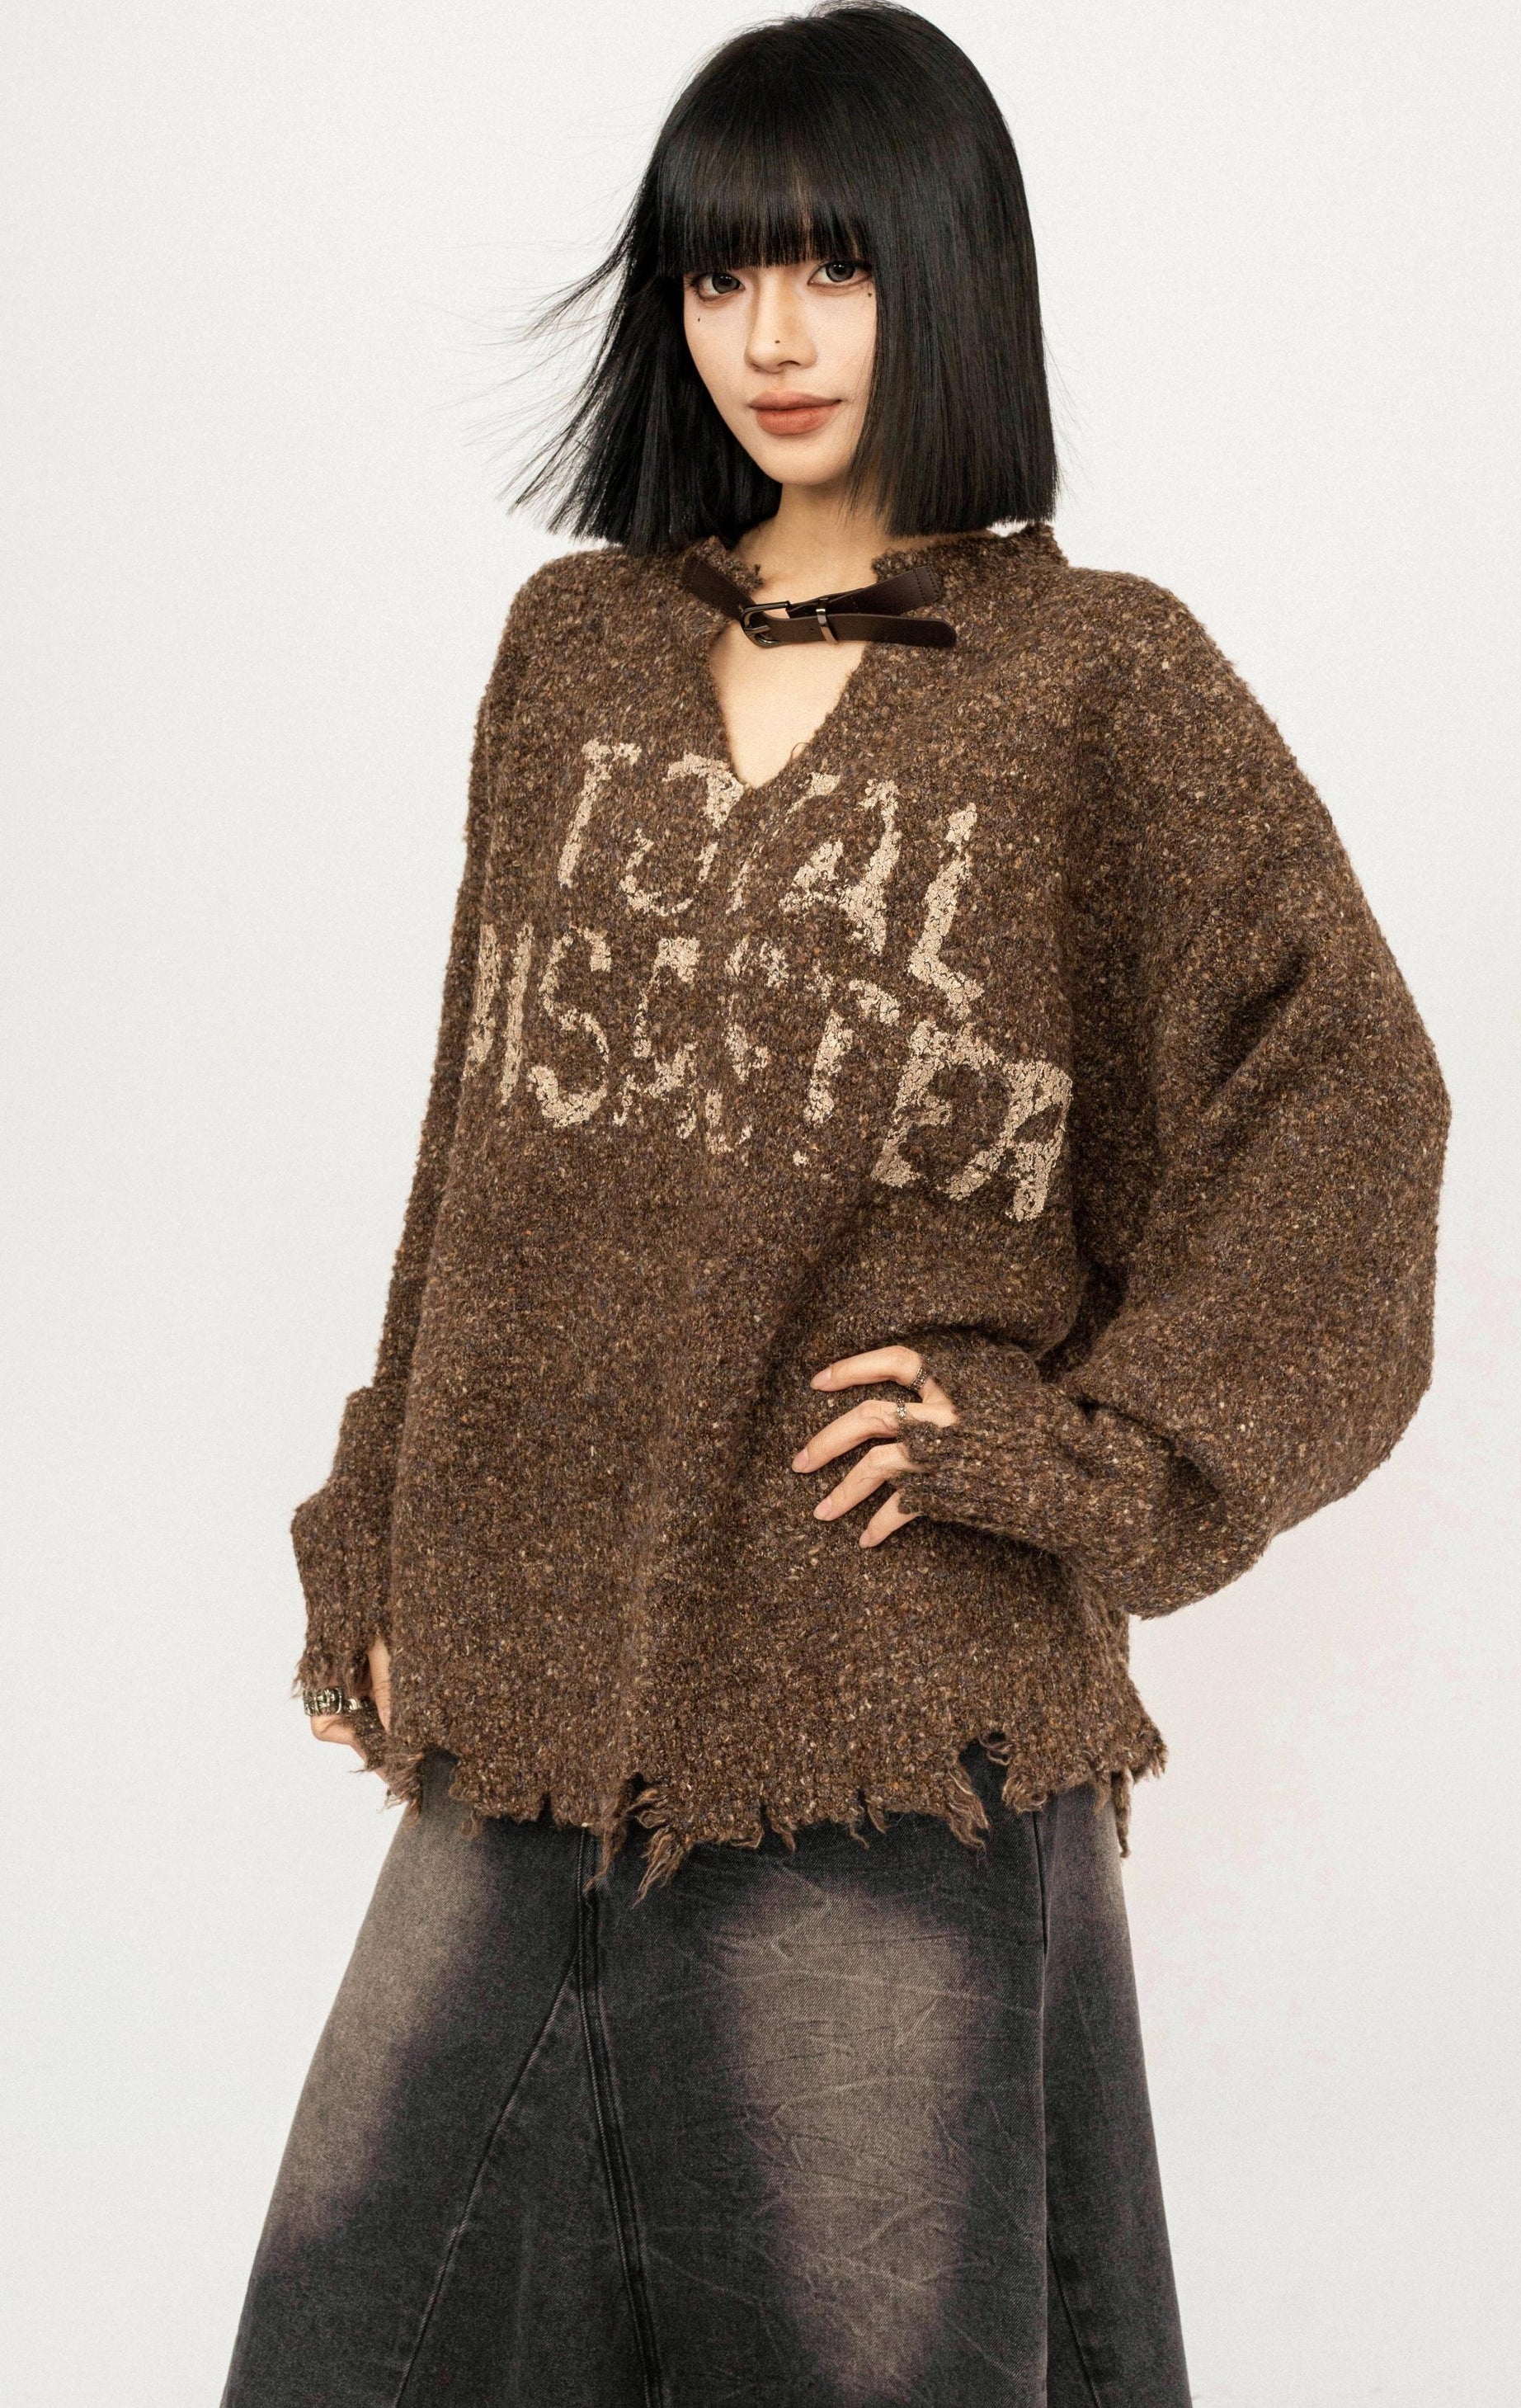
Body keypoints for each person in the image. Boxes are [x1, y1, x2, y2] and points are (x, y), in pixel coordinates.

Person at [222, 6, 1449, 2402]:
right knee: (362, 2332)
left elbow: (1343, 1100)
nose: (770, 337)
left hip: (881, 1683)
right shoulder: (573, 650)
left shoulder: (1098, 679)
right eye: (718, 276)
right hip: (538, 1660)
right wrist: (382, 1506)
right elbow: (476, 1122)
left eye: (834, 267)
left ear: (949, 276)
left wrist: (1090, 1454)